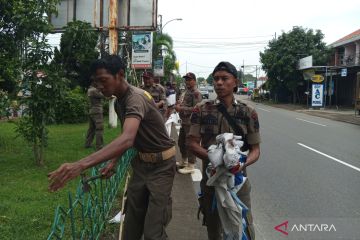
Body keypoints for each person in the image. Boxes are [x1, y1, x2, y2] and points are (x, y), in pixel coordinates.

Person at [48, 55, 176, 240]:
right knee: (131, 225)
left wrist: (80, 165)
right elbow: (129, 136)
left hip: (162, 167)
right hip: (140, 165)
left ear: (120, 75)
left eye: (103, 80)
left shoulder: (135, 98)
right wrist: (114, 161)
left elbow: (126, 139)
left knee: (153, 232)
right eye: (96, 81)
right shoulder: (118, 102)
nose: (100, 86)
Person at [188, 62, 261, 240]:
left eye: (224, 78)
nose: (219, 83)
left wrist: (241, 163)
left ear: (235, 82)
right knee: (214, 229)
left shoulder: (248, 112)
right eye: (216, 79)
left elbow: (255, 150)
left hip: (238, 183)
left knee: (244, 228)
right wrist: (215, 159)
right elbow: (191, 143)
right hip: (211, 183)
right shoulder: (201, 109)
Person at [175, 72, 202, 174]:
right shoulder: (186, 91)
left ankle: (191, 165)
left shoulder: (196, 93)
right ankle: (184, 161)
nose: (187, 81)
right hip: (184, 122)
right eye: (186, 79)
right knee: (181, 142)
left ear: (194, 81)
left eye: (190, 79)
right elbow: (182, 102)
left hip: (191, 123)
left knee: (190, 144)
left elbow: (196, 109)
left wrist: (181, 108)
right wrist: (178, 104)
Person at [84, 80, 105, 150]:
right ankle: (99, 146)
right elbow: (103, 96)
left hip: (92, 111)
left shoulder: (90, 90)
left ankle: (87, 144)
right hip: (97, 111)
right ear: (94, 82)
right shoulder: (94, 90)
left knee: (91, 129)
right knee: (99, 129)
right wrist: (101, 89)